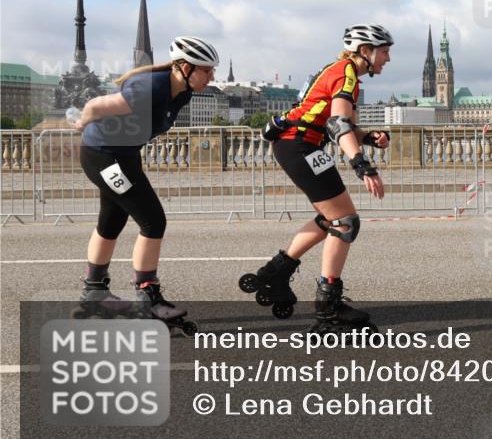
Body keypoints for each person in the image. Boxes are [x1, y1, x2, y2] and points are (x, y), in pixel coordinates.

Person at [240, 24, 391, 331]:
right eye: (385, 51)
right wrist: (363, 166)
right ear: (366, 51)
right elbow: (337, 124)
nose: (388, 59)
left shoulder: (340, 71)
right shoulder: (346, 72)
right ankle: (328, 311)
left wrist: (369, 138)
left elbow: (339, 124)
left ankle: (276, 273)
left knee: (330, 218)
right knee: (345, 222)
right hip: (300, 146)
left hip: (300, 145)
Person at [74, 36, 219, 332]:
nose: (211, 76)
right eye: (206, 70)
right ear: (184, 67)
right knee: (153, 220)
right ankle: (148, 297)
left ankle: (94, 293)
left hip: (123, 155)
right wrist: (81, 124)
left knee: (111, 220)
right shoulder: (149, 88)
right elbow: (95, 105)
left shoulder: (182, 93)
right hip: (104, 156)